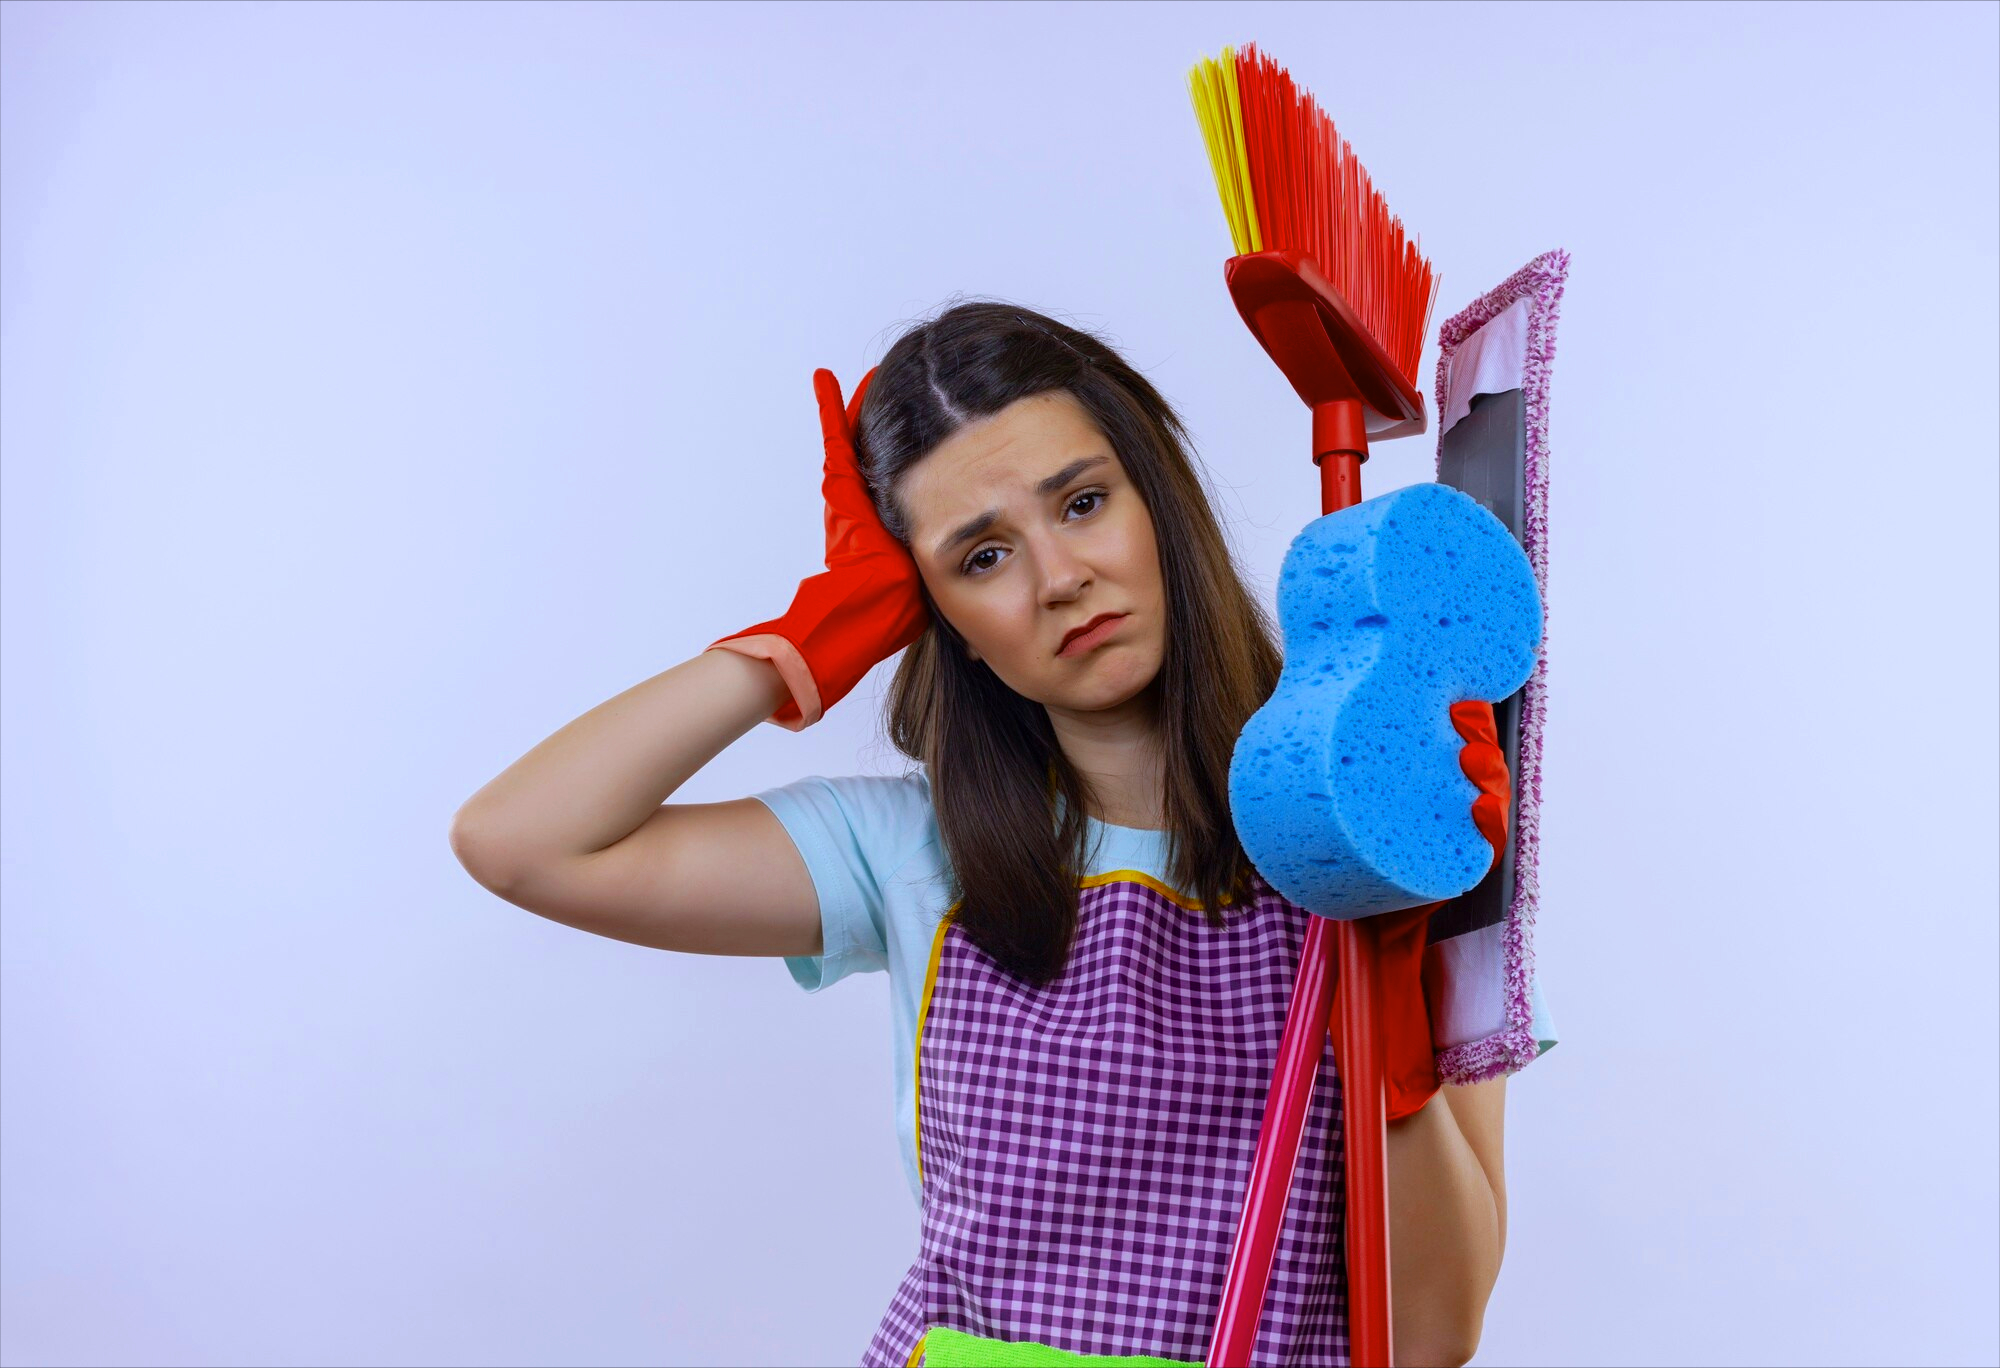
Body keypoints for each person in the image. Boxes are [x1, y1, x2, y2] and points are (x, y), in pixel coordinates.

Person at [449, 301, 1557, 1368]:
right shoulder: (908, 853)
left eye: (1081, 503)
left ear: (1157, 497)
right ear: (942, 622)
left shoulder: (1413, 814)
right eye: (981, 558)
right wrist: (808, 636)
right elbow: (521, 841)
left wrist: (1381, 932)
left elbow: (1430, 1333)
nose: (1060, 578)